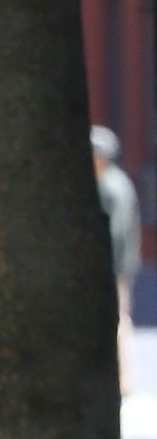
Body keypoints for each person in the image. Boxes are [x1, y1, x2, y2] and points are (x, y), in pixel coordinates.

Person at [90, 126, 141, 396]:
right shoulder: (111, 183)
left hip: (114, 268)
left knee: (117, 321)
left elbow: (116, 232)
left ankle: (123, 380)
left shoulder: (112, 187)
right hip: (116, 266)